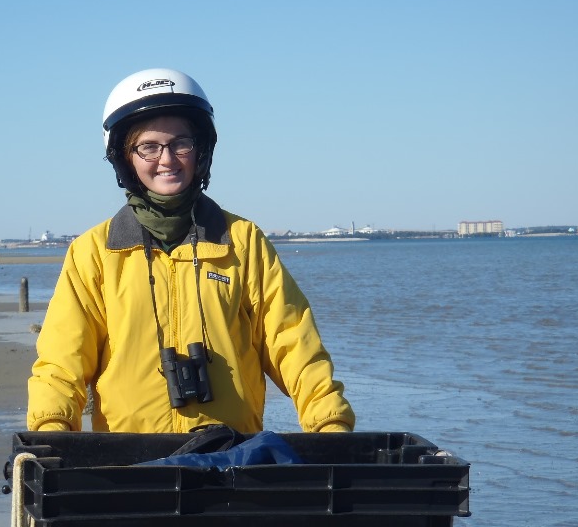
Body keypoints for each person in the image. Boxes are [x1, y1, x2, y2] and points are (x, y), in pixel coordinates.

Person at [27, 69, 355, 434]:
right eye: (148, 146)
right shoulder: (93, 252)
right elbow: (61, 362)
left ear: (200, 150)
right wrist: (51, 432)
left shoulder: (242, 241)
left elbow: (293, 344)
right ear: (124, 157)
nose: (166, 159)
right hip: (129, 466)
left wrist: (330, 424)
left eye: (181, 143)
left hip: (233, 460)